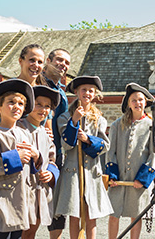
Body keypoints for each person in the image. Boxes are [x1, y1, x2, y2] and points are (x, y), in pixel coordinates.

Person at [52, 76, 113, 239]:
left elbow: (105, 145)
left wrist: (88, 139)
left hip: (92, 173)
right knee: (74, 214)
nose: (87, 93)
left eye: (91, 90)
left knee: (91, 216)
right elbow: (66, 144)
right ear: (77, 92)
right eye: (84, 90)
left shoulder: (99, 119)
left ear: (95, 94)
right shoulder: (64, 117)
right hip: (73, 173)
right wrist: (74, 121)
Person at [0, 78, 36, 239]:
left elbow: (32, 165)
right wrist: (16, 157)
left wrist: (35, 155)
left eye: (20, 104)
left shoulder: (25, 134)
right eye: (11, 102)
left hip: (21, 199)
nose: (16, 107)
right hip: (1, 199)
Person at [106, 83, 155, 239]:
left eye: (140, 99)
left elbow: (153, 155)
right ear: (128, 103)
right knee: (114, 215)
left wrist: (143, 179)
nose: (137, 103)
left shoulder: (151, 126)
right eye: (133, 100)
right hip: (118, 179)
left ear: (145, 102)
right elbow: (110, 153)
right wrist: (112, 176)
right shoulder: (116, 125)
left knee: (136, 216)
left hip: (138, 179)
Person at [0, 44, 47, 148]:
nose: (36, 65)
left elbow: (46, 126)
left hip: (35, 148)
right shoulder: (6, 88)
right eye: (32, 60)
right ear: (20, 61)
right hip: (10, 146)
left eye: (40, 62)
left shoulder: (44, 93)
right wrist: (8, 133)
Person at [18, 85, 61, 239]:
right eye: (39, 104)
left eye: (47, 106)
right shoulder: (18, 128)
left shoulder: (46, 134)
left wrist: (50, 173)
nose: (43, 109)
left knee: (31, 231)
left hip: (39, 191)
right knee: (19, 231)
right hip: (22, 191)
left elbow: (52, 160)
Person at [41, 49, 71, 239]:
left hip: (56, 154)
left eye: (67, 62)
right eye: (59, 60)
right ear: (48, 61)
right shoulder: (36, 83)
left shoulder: (62, 92)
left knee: (57, 206)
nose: (63, 64)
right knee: (31, 204)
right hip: (35, 150)